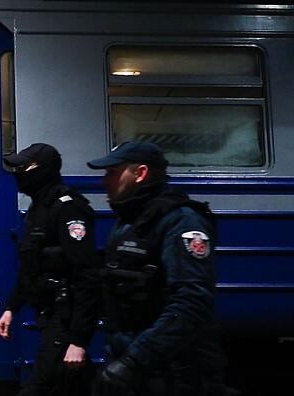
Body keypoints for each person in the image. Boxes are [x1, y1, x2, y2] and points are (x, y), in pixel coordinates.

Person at [87, 141, 229, 396]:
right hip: (139, 364)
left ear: (140, 173)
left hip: (175, 370)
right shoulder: (130, 220)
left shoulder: (181, 220)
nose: (104, 182)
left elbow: (191, 302)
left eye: (112, 173)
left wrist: (134, 361)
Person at [0, 143, 99, 396]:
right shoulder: (38, 209)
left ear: (44, 170)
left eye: (25, 167)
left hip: (64, 318)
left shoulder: (67, 208)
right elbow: (32, 266)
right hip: (48, 312)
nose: (19, 173)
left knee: (38, 387)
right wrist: (11, 307)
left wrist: (78, 340)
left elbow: (86, 275)